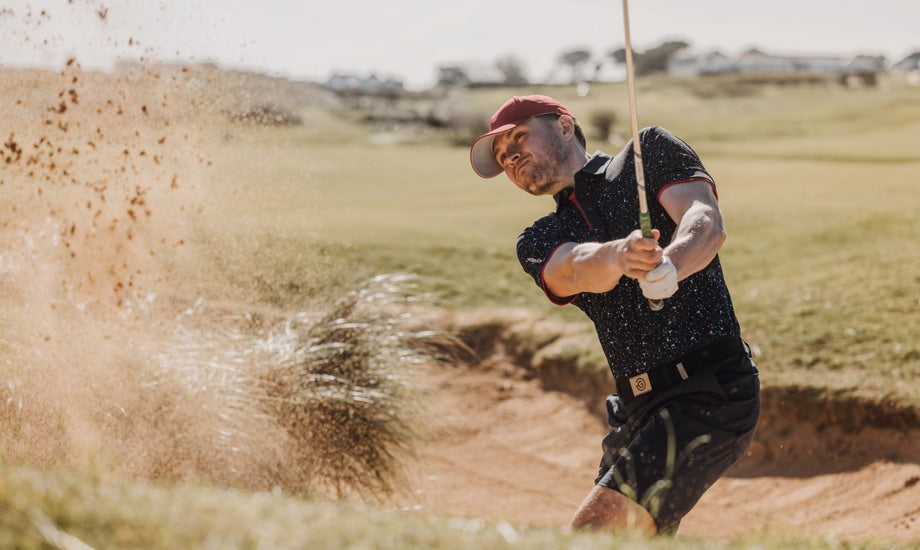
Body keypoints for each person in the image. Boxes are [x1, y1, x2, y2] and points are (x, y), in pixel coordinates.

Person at [469, 95, 760, 535]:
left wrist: (671, 265)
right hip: (637, 409)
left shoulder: (647, 153)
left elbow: (705, 219)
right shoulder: (537, 238)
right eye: (501, 156)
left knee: (593, 533)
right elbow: (575, 268)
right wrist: (621, 255)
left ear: (565, 126)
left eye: (518, 138)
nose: (509, 157)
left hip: (710, 390)